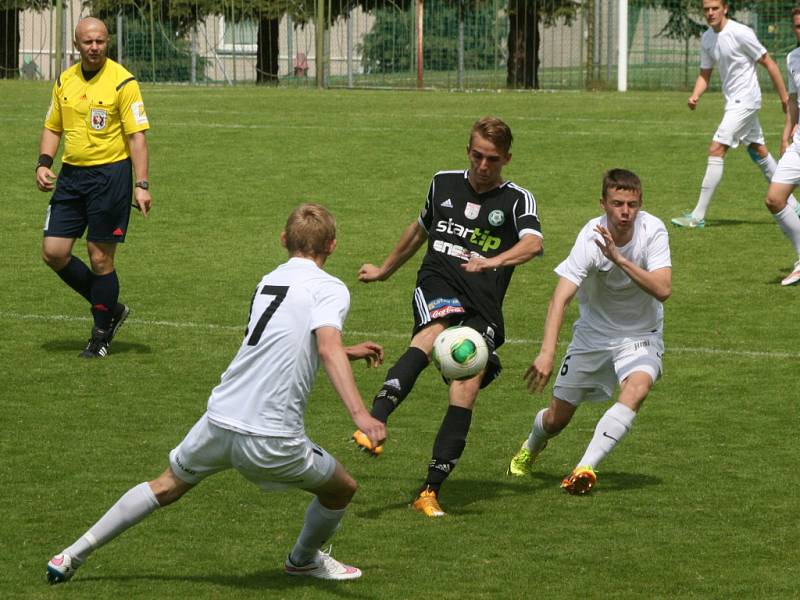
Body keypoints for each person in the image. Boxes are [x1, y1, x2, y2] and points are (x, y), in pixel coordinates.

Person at [45, 204, 388, 584]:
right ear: (333, 245)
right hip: (272, 438)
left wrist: (347, 351)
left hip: (219, 419)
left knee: (164, 486)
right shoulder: (330, 287)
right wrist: (360, 414)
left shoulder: (269, 280)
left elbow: (279, 344)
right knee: (342, 489)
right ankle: (303, 559)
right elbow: (324, 345)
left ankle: (70, 555)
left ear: (283, 240)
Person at [354, 117, 543, 517]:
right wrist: (385, 269)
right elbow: (419, 230)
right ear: (468, 151)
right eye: (477, 155)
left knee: (466, 386)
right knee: (431, 334)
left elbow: (532, 244)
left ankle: (429, 490)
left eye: (493, 158)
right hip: (437, 281)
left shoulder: (517, 200)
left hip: (483, 304)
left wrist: (492, 260)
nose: (483, 165)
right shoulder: (443, 183)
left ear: (506, 158)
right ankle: (373, 423)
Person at [509, 169, 671, 495]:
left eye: (632, 204)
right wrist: (546, 352)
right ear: (603, 203)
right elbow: (561, 297)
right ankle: (532, 444)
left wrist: (620, 260)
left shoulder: (653, 231)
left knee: (637, 389)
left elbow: (663, 289)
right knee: (557, 419)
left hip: (641, 336)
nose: (625, 212)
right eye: (617, 204)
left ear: (640, 204)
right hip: (592, 336)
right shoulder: (590, 238)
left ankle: (585, 467)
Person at [36, 17, 152, 358]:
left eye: (100, 41)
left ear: (107, 42)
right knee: (53, 251)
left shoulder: (122, 82)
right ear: (77, 44)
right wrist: (44, 163)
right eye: (88, 42)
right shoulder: (64, 82)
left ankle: (100, 334)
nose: (94, 47)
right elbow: (52, 127)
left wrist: (141, 185)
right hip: (71, 177)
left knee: (100, 257)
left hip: (110, 177)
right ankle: (110, 307)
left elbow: (137, 137)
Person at [671, 0, 798, 229]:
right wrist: (695, 95)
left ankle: (697, 216)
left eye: (714, 8)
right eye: (706, 9)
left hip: (747, 101)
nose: (710, 13)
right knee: (758, 150)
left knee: (717, 148)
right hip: (733, 102)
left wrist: (783, 98)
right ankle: (793, 204)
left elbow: (768, 63)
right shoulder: (708, 38)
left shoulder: (741, 33)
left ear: (725, 8)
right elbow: (704, 74)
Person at [763, 6, 800, 286]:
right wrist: (785, 135)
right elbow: (793, 101)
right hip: (799, 143)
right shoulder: (792, 58)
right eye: (797, 26)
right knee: (775, 198)